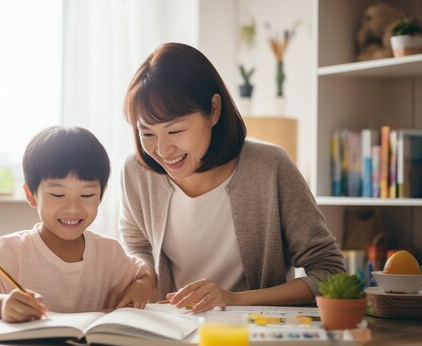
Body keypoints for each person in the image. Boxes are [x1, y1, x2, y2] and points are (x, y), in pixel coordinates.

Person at [120, 42, 345, 314]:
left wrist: (235, 299)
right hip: (174, 331)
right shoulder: (137, 173)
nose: (163, 150)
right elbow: (137, 245)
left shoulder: (270, 167)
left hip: (257, 332)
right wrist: (144, 279)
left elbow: (331, 273)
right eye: (147, 134)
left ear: (214, 110)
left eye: (175, 131)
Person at [0, 126, 156, 322]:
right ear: (31, 195)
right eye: (58, 194)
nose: (73, 207)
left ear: (102, 194)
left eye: (87, 194)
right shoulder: (13, 250)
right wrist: (2, 305)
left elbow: (144, 273)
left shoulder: (109, 252)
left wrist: (142, 286)